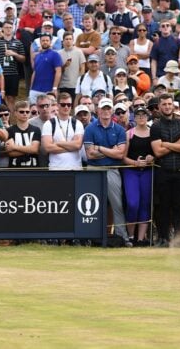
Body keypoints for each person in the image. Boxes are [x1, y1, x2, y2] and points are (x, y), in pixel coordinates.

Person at [84, 98, 130, 243]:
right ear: (98, 110)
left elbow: (120, 154)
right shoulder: (90, 128)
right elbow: (90, 154)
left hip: (112, 169)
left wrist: (100, 148)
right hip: (93, 169)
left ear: (112, 111)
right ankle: (90, 237)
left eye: (108, 108)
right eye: (103, 108)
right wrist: (112, 151)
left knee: (117, 204)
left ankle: (122, 237)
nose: (105, 111)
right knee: (92, 205)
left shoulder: (119, 130)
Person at [151, 93, 180, 246]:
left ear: (173, 105)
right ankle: (163, 238)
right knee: (163, 206)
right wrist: (177, 144)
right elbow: (158, 152)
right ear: (159, 107)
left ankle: (179, 239)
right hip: (163, 171)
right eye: (164, 104)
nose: (167, 107)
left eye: (169, 104)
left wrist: (166, 144)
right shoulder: (155, 126)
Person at [122, 106, 154, 246]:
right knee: (133, 203)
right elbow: (123, 157)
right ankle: (130, 236)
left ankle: (141, 239)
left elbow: (156, 153)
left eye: (144, 114)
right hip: (131, 171)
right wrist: (135, 163)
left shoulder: (153, 133)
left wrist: (151, 158)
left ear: (148, 117)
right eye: (138, 115)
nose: (141, 117)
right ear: (134, 118)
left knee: (145, 204)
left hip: (147, 172)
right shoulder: (129, 134)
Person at [41, 92, 84, 170]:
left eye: (69, 104)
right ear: (57, 105)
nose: (66, 107)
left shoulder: (77, 123)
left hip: (75, 168)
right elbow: (48, 148)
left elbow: (78, 145)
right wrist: (71, 146)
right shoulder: (49, 124)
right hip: (56, 169)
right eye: (63, 104)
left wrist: (58, 143)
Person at [5, 100, 41, 168]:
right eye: (21, 112)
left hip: (33, 169)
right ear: (15, 113)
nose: (25, 114)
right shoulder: (9, 130)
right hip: (14, 170)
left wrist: (14, 147)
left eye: (27, 112)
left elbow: (35, 149)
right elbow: (10, 153)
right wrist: (29, 149)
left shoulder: (36, 130)